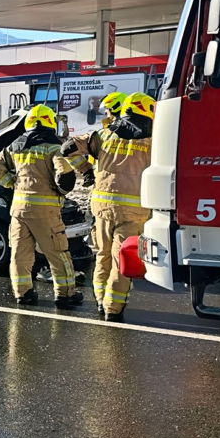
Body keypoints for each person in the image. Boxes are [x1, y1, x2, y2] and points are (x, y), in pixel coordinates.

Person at [0, 104, 85, 308]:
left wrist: (12, 183)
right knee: (58, 254)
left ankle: (23, 294)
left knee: (20, 255)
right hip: (45, 212)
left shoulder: (15, 146)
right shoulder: (53, 146)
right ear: (50, 122)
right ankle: (65, 295)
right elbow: (65, 175)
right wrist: (60, 191)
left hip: (19, 211)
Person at [69, 92, 153, 321]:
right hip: (134, 211)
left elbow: (68, 147)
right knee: (121, 260)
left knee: (103, 255)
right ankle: (113, 308)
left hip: (103, 207)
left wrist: (85, 171)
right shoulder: (153, 140)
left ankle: (100, 300)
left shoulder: (104, 134)